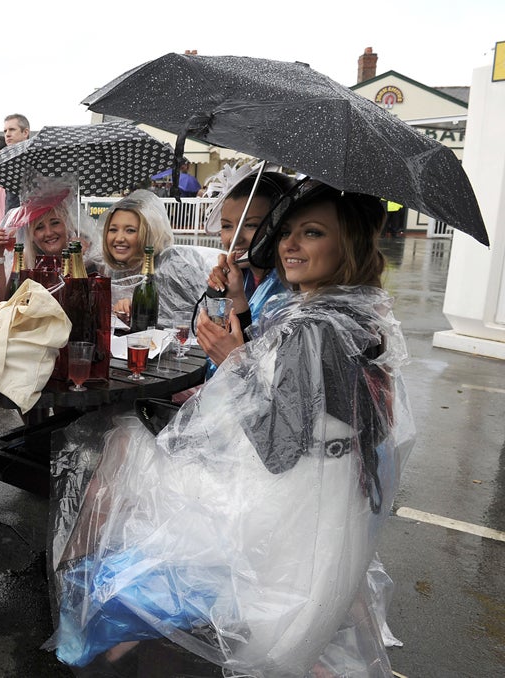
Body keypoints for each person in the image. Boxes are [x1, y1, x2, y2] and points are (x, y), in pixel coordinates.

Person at [49, 180, 412, 677]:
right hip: (328, 500)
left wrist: (234, 361)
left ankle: (86, 616)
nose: (289, 245)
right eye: (287, 232)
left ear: (346, 243)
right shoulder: (348, 311)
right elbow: (302, 395)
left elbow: (279, 449)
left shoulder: (315, 326)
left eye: (312, 233)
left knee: (117, 445)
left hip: (282, 511)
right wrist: (240, 304)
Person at [196, 168, 293, 370]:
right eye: (226, 226)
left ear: (278, 225)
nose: (235, 238)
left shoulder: (290, 288)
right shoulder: (238, 277)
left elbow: (265, 371)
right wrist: (220, 296)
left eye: (250, 225)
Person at [98, 189, 220, 327]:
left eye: (130, 230)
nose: (119, 238)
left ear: (150, 233)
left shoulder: (174, 268)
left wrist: (140, 311)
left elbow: (199, 318)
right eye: (113, 230)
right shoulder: (114, 272)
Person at [0, 114, 30, 231]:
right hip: (10, 226)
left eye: (12, 129)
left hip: (31, 225)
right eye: (5, 131)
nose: (7, 134)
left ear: (25, 132)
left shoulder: (34, 160)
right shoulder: (7, 163)